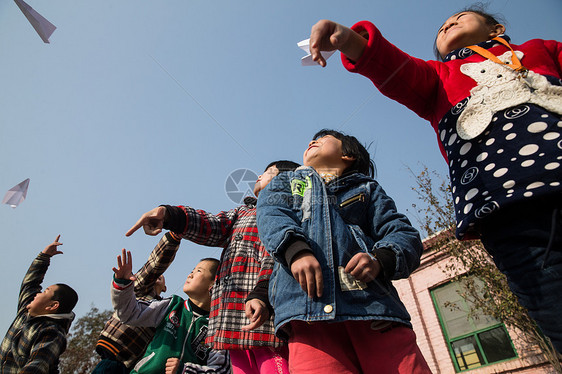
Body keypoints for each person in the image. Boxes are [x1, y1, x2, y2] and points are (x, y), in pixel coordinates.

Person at [307, 5, 562, 353]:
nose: (449, 24)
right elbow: (393, 68)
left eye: (460, 17)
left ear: (496, 29)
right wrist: (349, 39)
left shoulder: (542, 50)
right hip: (509, 217)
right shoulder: (438, 79)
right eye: (442, 26)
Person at [256, 130, 431, 373]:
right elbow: (272, 216)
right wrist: (295, 251)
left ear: (347, 155)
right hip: (307, 315)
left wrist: (380, 259)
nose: (312, 141)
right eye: (311, 139)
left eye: (323, 137)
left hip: (373, 309)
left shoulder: (367, 189)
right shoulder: (286, 183)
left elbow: (402, 232)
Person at [126, 160, 300, 374]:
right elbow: (211, 225)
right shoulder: (243, 213)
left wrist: (263, 292)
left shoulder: (287, 214)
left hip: (266, 320)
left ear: (285, 180)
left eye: (267, 173)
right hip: (231, 323)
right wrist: (170, 215)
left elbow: (274, 258)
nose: (259, 176)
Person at [111, 250, 229, 374]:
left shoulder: (218, 328)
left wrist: (185, 370)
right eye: (191, 271)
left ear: (214, 284)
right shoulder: (172, 306)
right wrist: (122, 284)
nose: (190, 275)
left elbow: (221, 370)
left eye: (198, 271)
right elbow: (129, 313)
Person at [92, 232, 181, 373]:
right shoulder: (138, 289)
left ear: (165, 288)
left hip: (131, 366)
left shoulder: (166, 310)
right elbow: (155, 265)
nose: (159, 276)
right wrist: (173, 236)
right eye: (158, 275)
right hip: (111, 358)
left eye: (162, 277)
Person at [0, 235, 78, 373]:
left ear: (52, 306)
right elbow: (30, 283)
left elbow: (38, 365)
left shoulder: (52, 333)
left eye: (45, 291)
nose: (38, 293)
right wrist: (44, 257)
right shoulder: (26, 312)